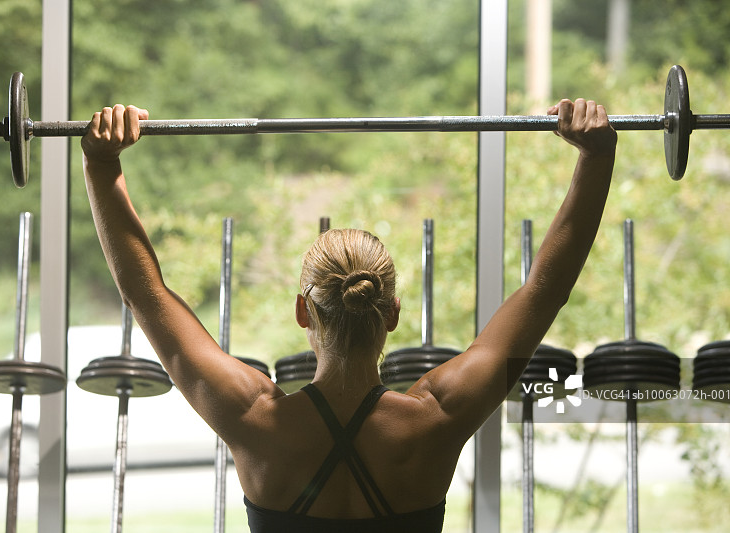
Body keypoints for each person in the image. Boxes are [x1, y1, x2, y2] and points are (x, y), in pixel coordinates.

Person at [81, 98, 616, 533]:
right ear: (393, 314)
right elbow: (546, 291)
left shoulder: (255, 421)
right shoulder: (437, 418)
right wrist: (595, 157)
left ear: (302, 313)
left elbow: (145, 294)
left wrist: (101, 164)